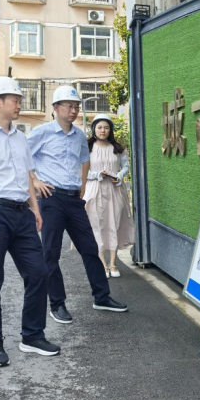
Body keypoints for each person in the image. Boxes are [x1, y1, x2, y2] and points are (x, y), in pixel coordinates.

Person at [0, 76, 60, 367]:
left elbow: (28, 177)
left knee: (38, 273)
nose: (19, 104)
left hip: (22, 214)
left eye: (19, 100)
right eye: (15, 99)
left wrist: (35, 210)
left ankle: (32, 335)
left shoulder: (20, 138)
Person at [28, 85, 128, 325]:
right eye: (69, 106)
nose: (73, 110)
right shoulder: (41, 132)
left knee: (90, 247)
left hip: (74, 199)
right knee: (51, 252)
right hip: (51, 198)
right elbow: (21, 156)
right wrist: (35, 180)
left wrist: (82, 186)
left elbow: (85, 160)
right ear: (55, 108)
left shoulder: (79, 136)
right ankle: (57, 304)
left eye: (76, 106)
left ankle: (101, 297)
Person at [84, 114, 135, 278]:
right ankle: (102, 264)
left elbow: (125, 166)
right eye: (99, 127)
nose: (102, 130)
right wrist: (97, 174)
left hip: (114, 189)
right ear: (94, 129)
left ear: (110, 130)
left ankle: (113, 264)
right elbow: (81, 171)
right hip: (94, 189)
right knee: (96, 225)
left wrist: (119, 175)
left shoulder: (118, 148)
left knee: (114, 224)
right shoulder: (87, 148)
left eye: (106, 127)